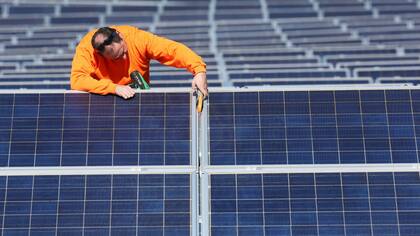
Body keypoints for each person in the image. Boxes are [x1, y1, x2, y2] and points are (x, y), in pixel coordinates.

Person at [70, 25, 208, 99]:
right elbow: (77, 80)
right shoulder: (87, 49)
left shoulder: (137, 39)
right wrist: (114, 88)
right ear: (99, 54)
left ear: (121, 36)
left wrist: (199, 70)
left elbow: (172, 50)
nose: (124, 59)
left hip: (138, 100)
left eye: (123, 51)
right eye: (116, 58)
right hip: (101, 101)